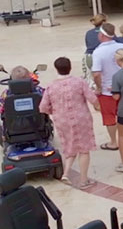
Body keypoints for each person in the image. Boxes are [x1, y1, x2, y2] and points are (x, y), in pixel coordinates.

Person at [39, 57, 100, 188]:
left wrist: (55, 111)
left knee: (69, 145)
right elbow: (92, 98)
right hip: (81, 118)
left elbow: (42, 107)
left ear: (56, 69)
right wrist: (98, 107)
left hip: (62, 120)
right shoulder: (79, 82)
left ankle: (66, 174)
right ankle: (83, 180)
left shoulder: (51, 86)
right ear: (70, 67)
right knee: (84, 149)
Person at [90, 23, 123, 152]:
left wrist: (99, 87)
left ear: (102, 35)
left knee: (109, 117)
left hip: (108, 89)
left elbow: (96, 73)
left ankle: (114, 141)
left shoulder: (98, 52)